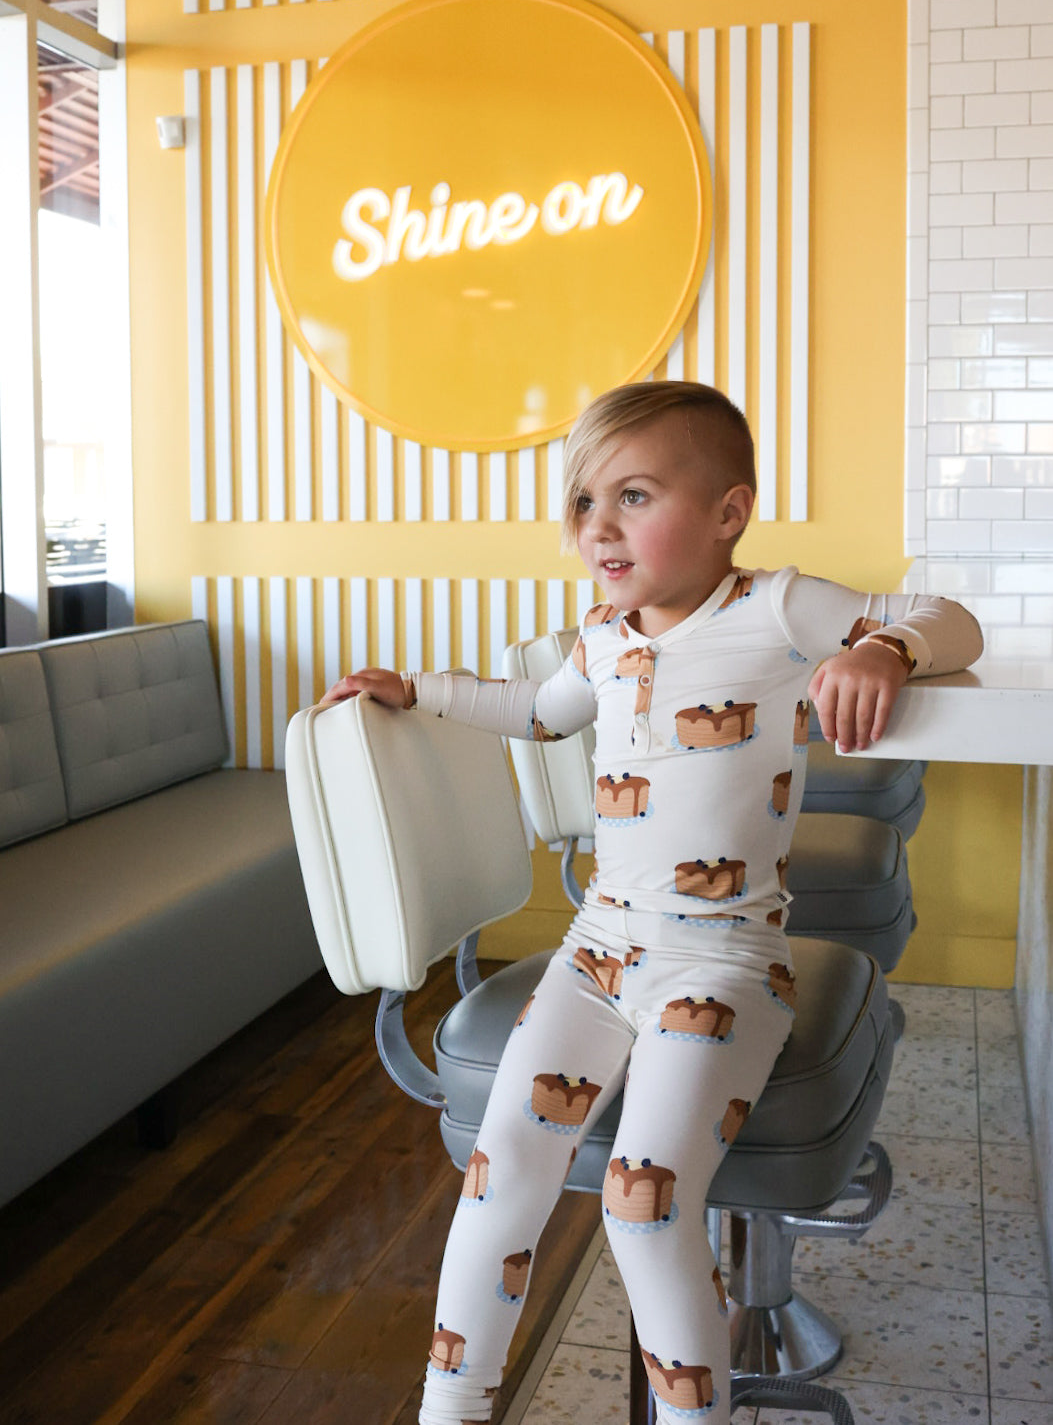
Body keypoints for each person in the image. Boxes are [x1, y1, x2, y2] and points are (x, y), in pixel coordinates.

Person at [319, 382, 983, 1425]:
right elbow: (540, 712)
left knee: (642, 1202)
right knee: (498, 1190)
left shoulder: (776, 606)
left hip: (722, 968)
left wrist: (879, 646)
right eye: (584, 501)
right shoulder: (604, 635)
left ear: (729, 512)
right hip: (597, 954)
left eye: (633, 494)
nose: (598, 525)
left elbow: (954, 620)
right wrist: (423, 686)